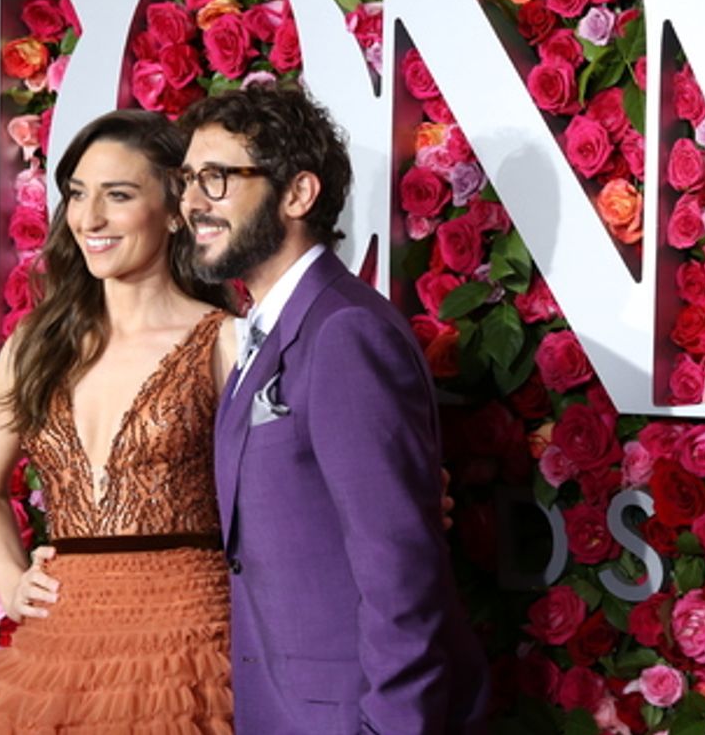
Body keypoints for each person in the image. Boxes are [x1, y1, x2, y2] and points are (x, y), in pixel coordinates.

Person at [179, 85, 490, 734]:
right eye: (187, 181)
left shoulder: (344, 331)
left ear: (297, 193)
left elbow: (399, 565)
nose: (191, 202)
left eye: (216, 178)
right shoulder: (269, 330)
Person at [0, 110, 239, 733]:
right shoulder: (36, 344)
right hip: (59, 644)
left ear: (175, 210)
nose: (89, 219)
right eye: (79, 195)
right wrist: (10, 580)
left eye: (119, 195)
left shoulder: (227, 341)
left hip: (188, 644)